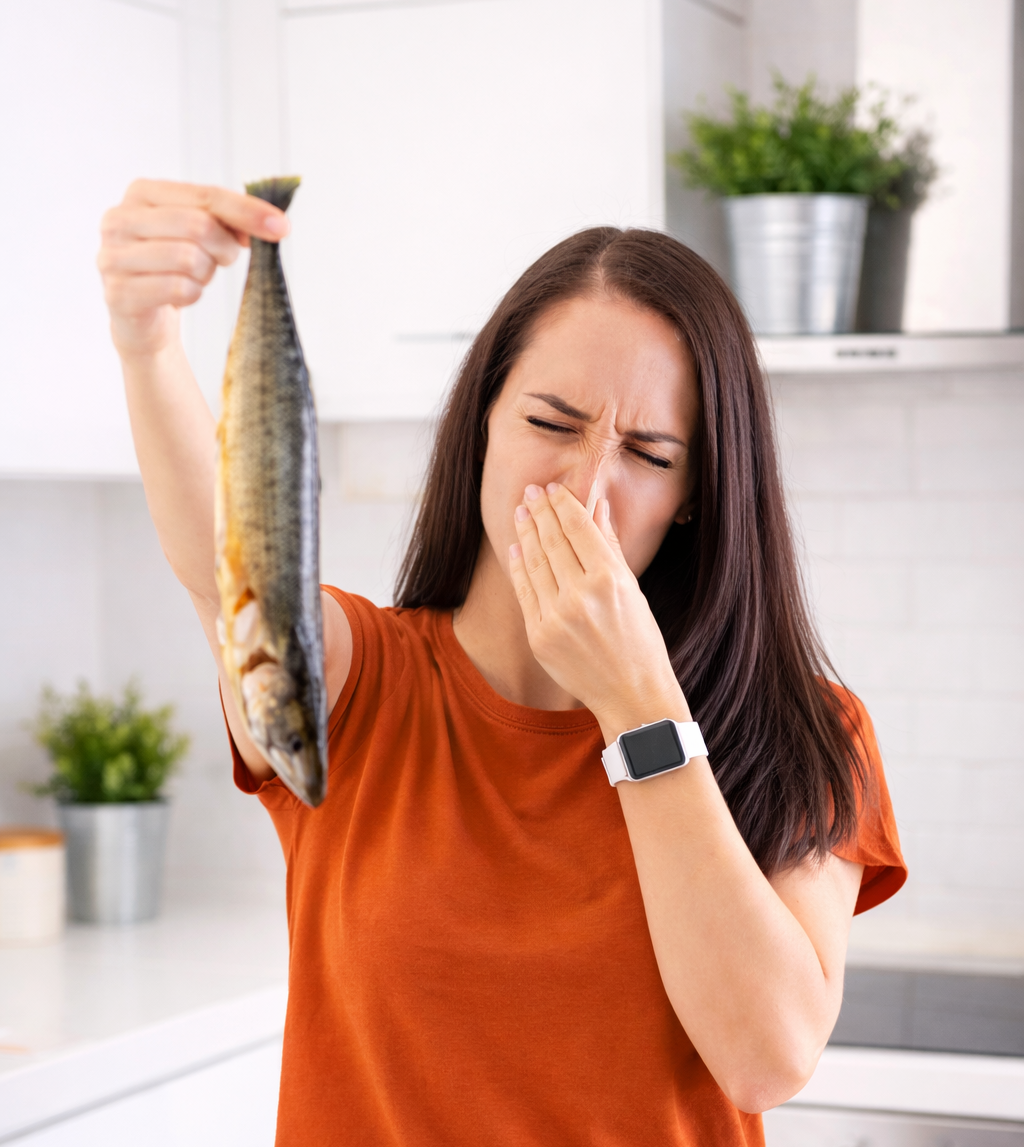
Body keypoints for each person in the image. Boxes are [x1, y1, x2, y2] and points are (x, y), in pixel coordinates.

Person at [98, 180, 906, 1146]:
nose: (584, 488)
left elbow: (767, 1056)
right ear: (482, 418)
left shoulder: (807, 731)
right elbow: (225, 560)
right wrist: (146, 344)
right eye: (551, 424)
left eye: (647, 454)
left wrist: (638, 705)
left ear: (695, 495)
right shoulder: (358, 683)